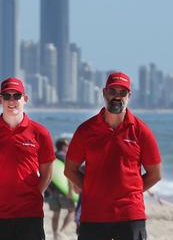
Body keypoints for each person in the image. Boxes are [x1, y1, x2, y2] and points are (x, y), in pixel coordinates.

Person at [65, 71, 162, 240]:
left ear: (129, 95)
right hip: (94, 215)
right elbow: (70, 170)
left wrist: (130, 193)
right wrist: (91, 190)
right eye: (113, 91)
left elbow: (155, 174)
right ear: (104, 93)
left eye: (122, 92)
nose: (117, 97)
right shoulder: (86, 130)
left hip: (130, 215)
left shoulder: (141, 131)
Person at [0, 77, 55, 240]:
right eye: (7, 96)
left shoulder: (41, 133)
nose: (12, 101)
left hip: (30, 214)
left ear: (25, 99)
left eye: (16, 96)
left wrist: (31, 195)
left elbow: (47, 175)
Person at [45, 137, 77, 239]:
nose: (68, 147)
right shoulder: (65, 158)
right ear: (63, 146)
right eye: (67, 146)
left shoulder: (51, 157)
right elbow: (69, 175)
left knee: (56, 214)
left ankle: (55, 234)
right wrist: (71, 191)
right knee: (72, 211)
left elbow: (47, 174)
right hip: (65, 191)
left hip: (52, 192)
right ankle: (61, 231)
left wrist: (48, 190)